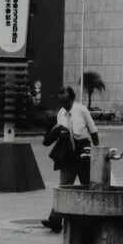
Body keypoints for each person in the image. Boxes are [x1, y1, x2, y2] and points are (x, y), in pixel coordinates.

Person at [41, 86, 99, 232]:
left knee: (86, 185)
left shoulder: (82, 110)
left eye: (66, 101)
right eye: (61, 102)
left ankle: (90, 218)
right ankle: (56, 219)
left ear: (72, 98)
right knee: (64, 185)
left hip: (82, 148)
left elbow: (93, 131)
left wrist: (97, 151)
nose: (64, 105)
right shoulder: (61, 113)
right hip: (67, 150)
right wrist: (61, 134)